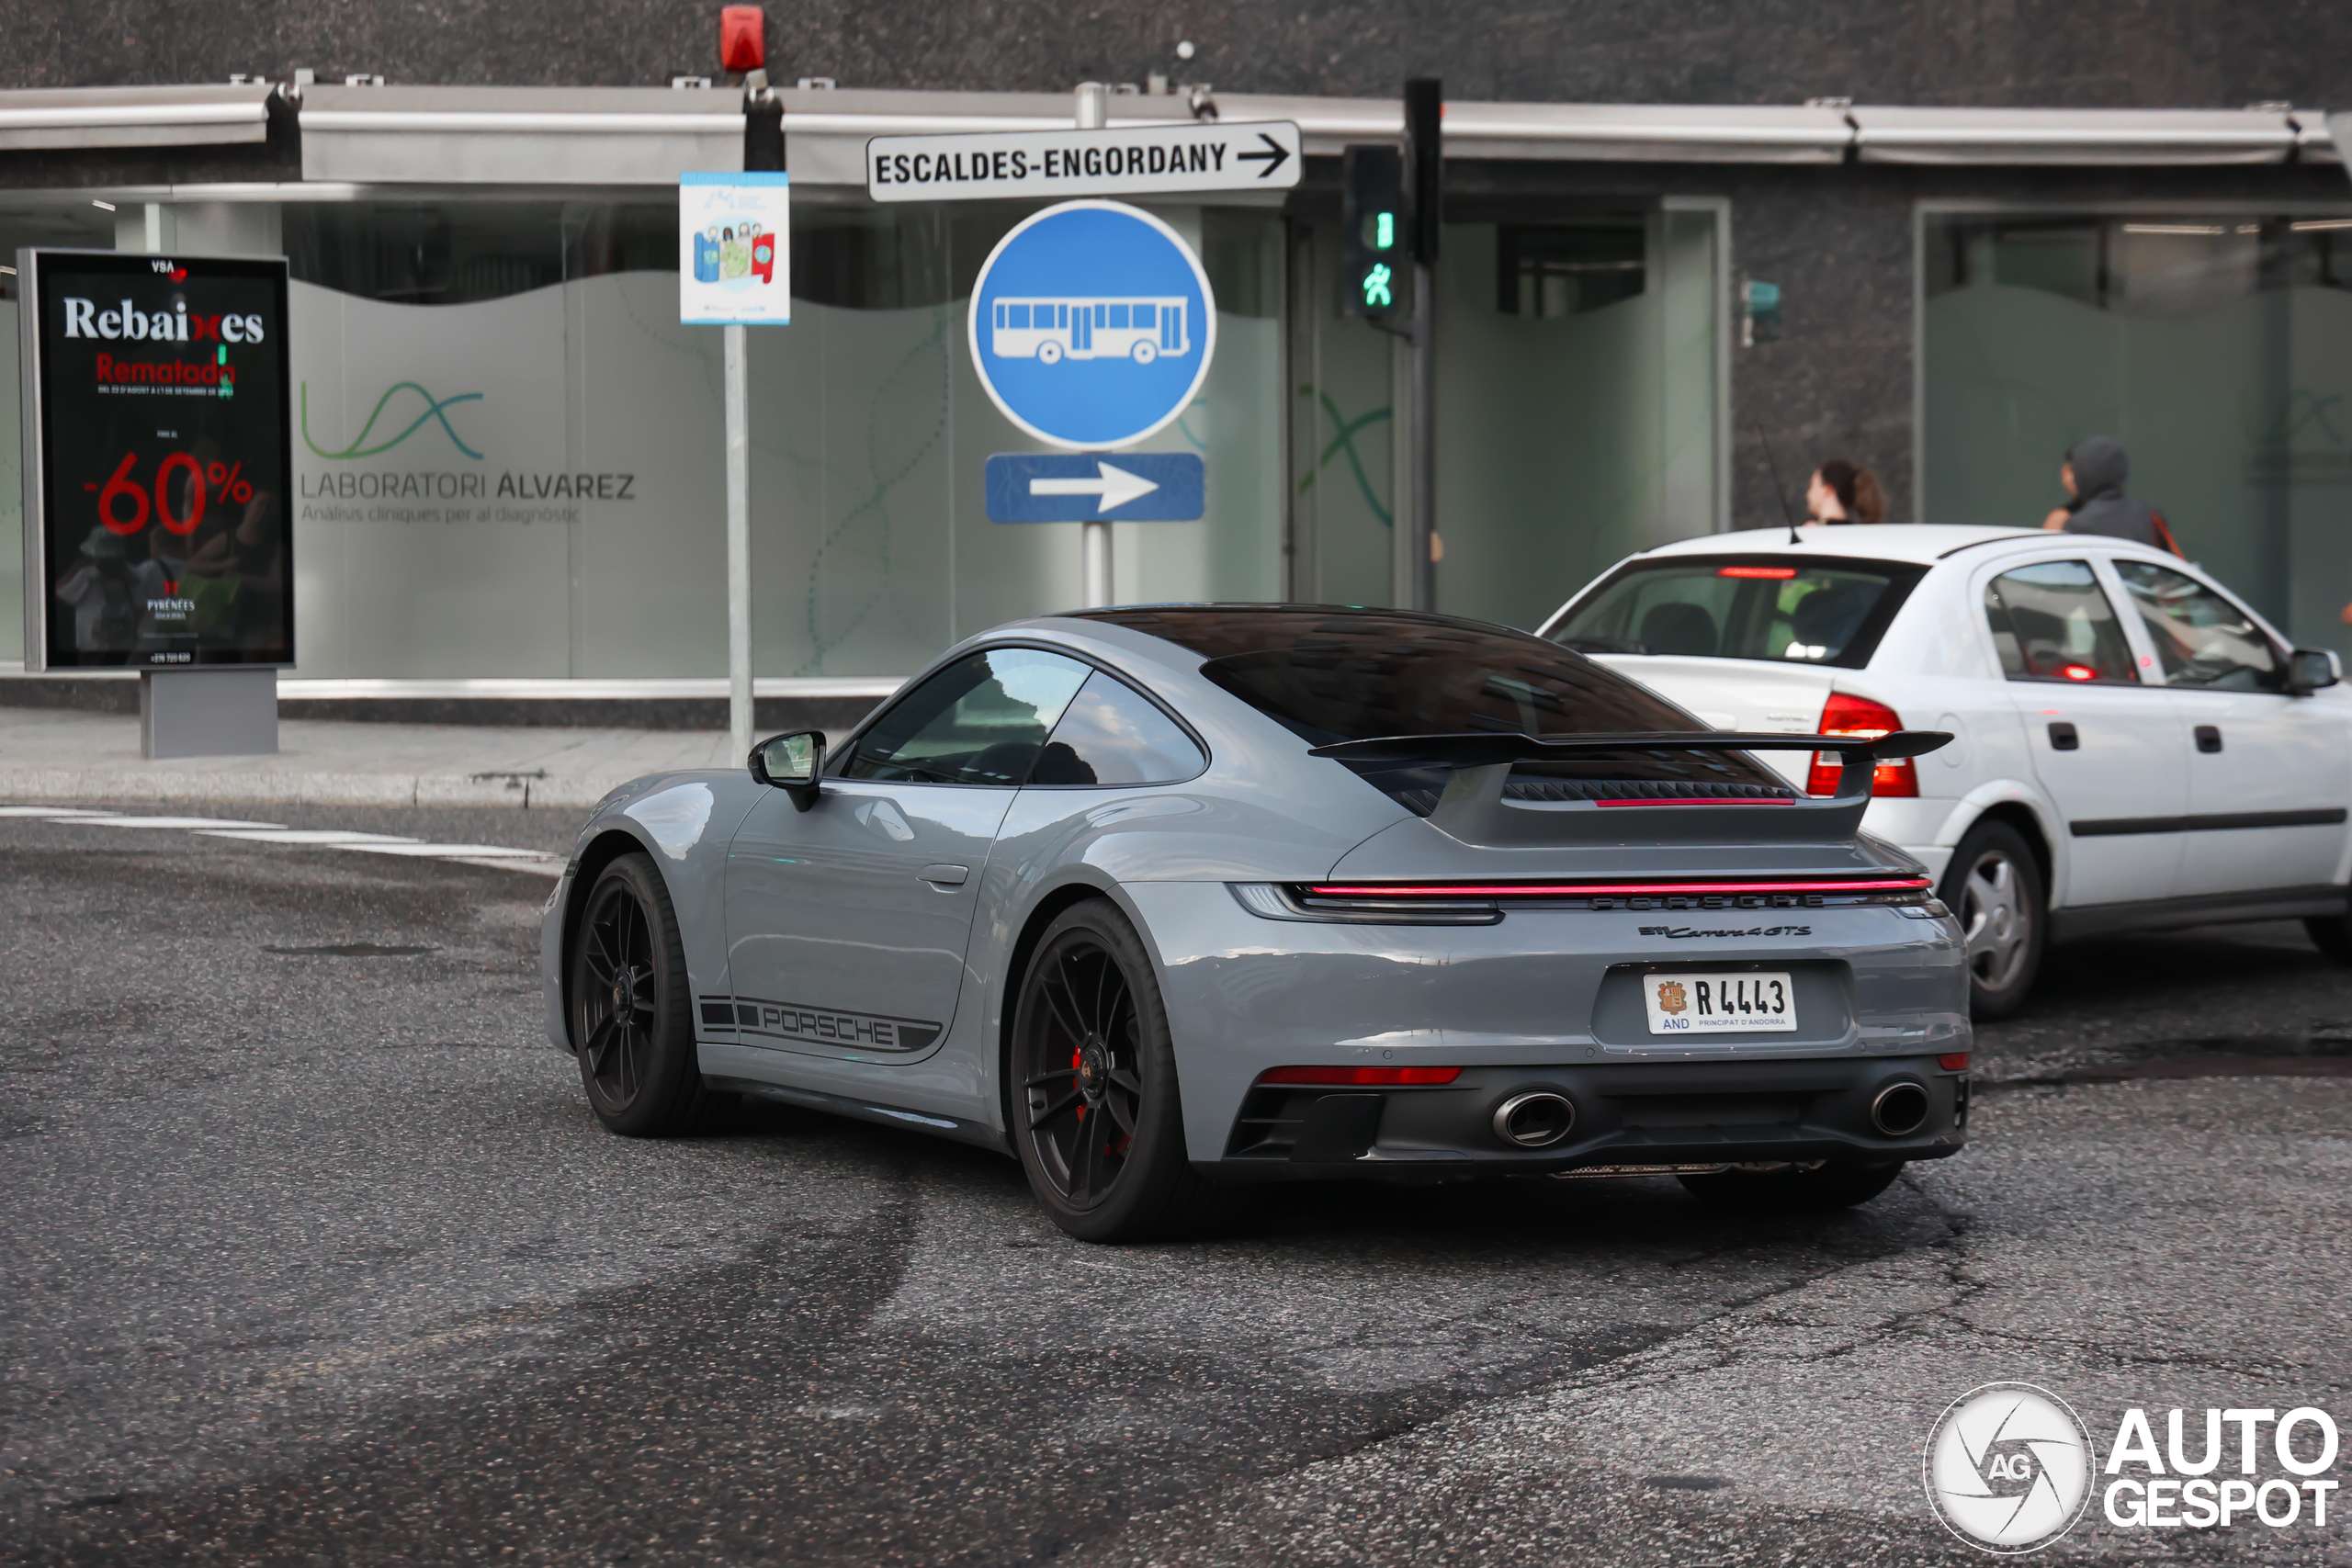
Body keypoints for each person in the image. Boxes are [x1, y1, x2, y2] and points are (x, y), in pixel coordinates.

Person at [2041, 435, 2181, 555]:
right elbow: (2176, 564)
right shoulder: (2149, 512)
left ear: (2084, 473)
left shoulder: (2076, 524)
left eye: (2073, 469)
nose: (2065, 477)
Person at [1804, 457, 1885, 525]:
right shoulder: (1858, 534)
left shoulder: (1813, 533)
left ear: (1827, 489)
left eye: (1812, 485)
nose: (1808, 493)